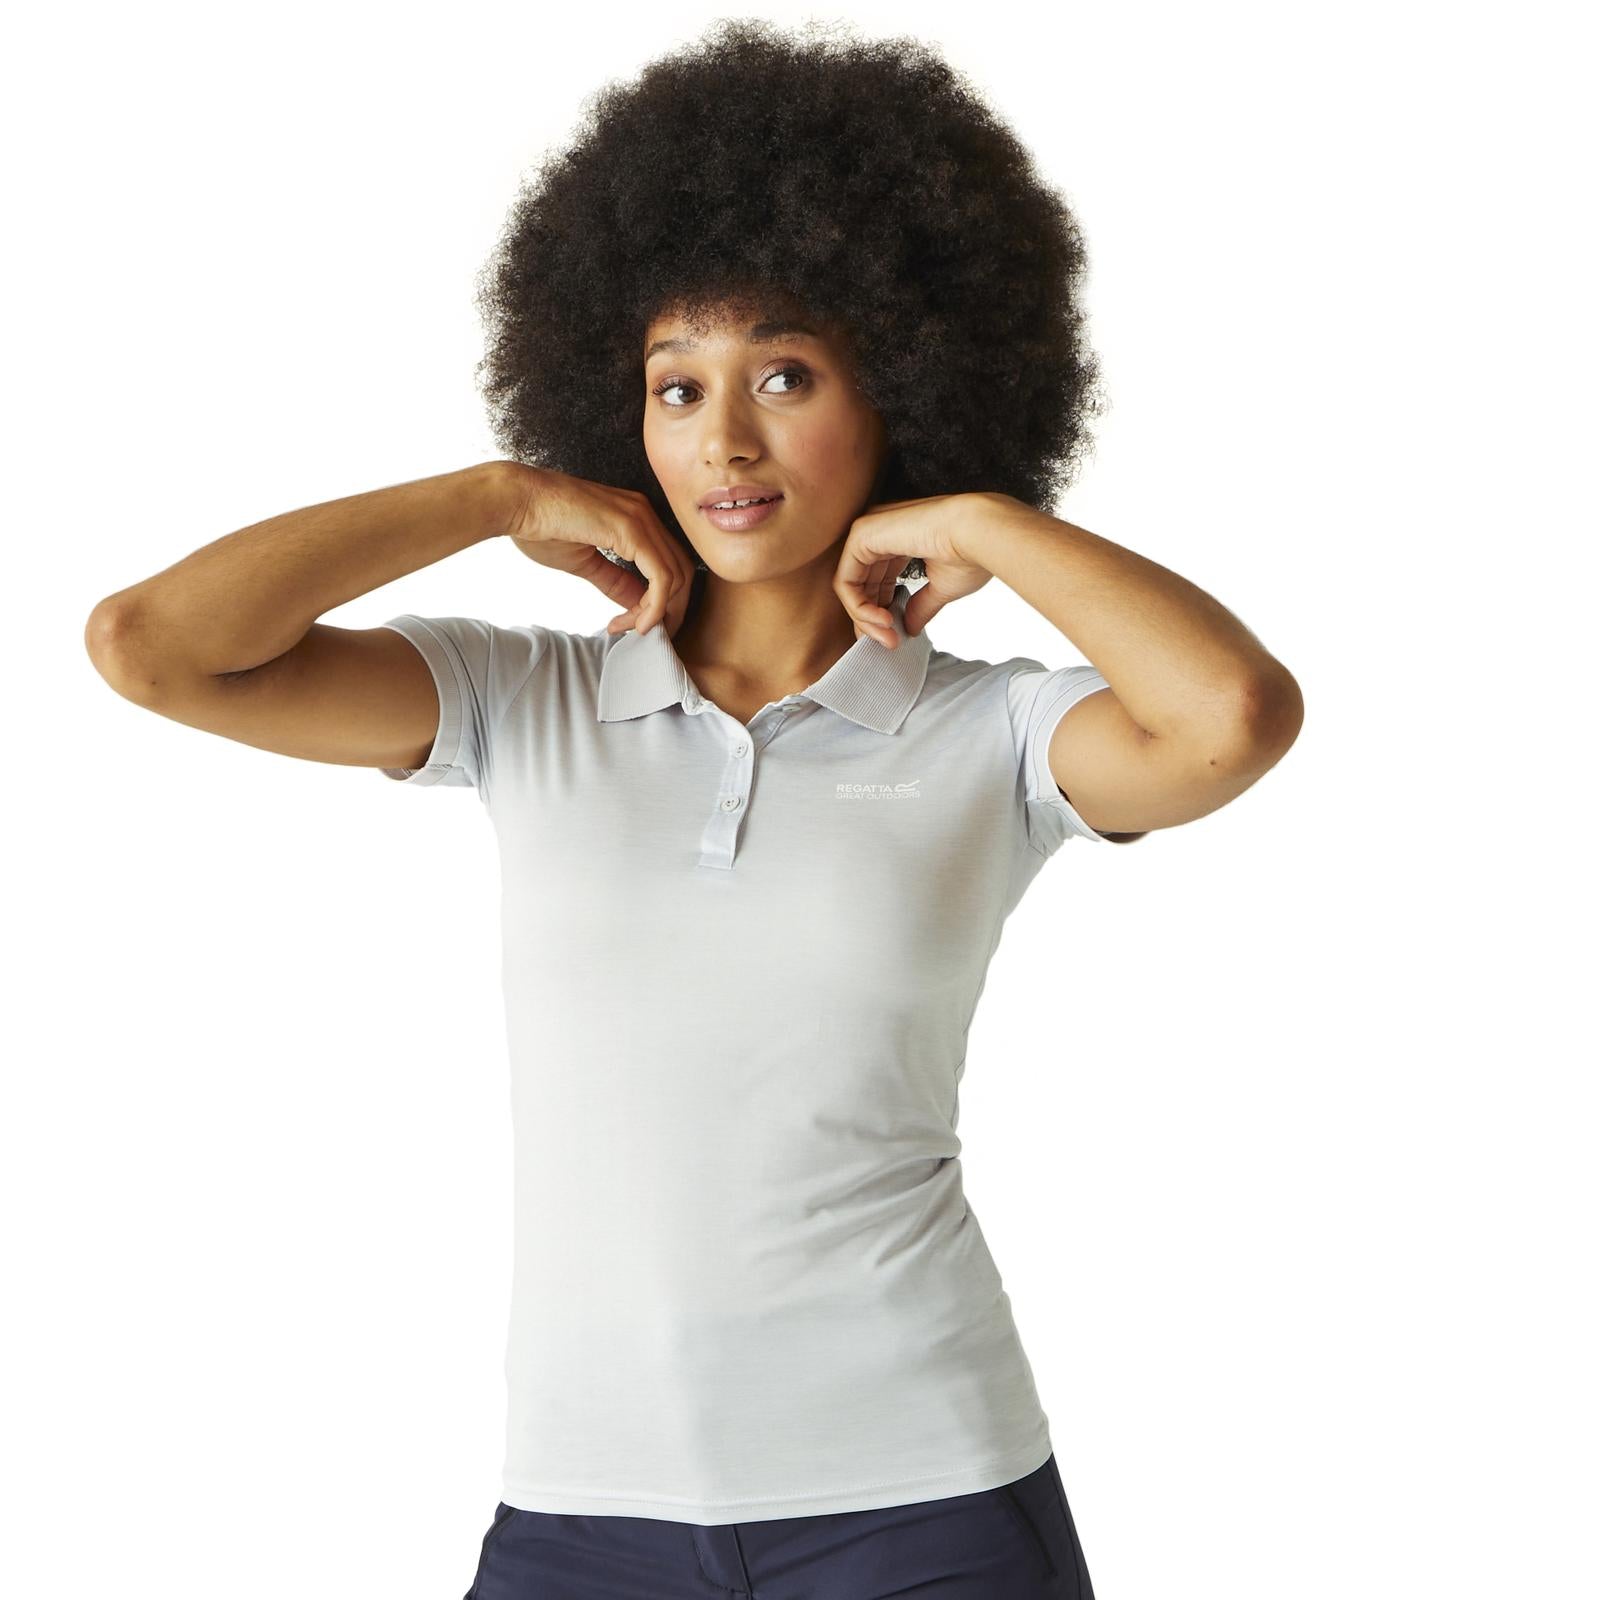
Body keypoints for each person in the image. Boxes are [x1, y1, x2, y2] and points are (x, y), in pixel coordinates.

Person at [84, 19, 1302, 1599]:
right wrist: (495, 496)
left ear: (907, 383)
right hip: (582, 1515)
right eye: (676, 385)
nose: (724, 438)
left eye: (785, 375)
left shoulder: (990, 731)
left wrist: (989, 522)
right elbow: (151, 648)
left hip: (924, 1505)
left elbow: (1232, 718)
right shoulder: (523, 701)